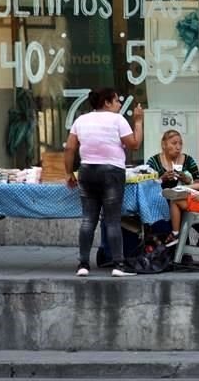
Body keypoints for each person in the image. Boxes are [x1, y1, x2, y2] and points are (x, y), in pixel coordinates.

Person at [64, 87, 143, 278]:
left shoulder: (81, 120)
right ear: (107, 102)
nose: (119, 104)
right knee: (113, 220)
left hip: (87, 172)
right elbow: (134, 144)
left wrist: (68, 173)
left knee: (88, 220)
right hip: (112, 173)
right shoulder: (118, 120)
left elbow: (70, 149)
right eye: (116, 101)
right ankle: (118, 264)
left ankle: (83, 264)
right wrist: (139, 122)